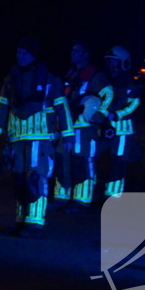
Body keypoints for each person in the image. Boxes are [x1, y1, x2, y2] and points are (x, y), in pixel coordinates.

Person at [0, 37, 69, 238]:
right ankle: (21, 220)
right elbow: (3, 106)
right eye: (18, 52)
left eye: (24, 53)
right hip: (16, 138)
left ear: (33, 55)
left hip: (39, 137)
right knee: (18, 181)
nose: (20, 56)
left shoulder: (48, 78)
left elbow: (62, 106)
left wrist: (67, 134)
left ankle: (34, 223)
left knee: (34, 179)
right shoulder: (12, 77)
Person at [53, 39, 112, 211]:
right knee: (62, 160)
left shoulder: (95, 75)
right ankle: (61, 198)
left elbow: (108, 94)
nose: (73, 53)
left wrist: (100, 114)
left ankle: (81, 200)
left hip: (85, 128)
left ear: (86, 54)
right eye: (72, 50)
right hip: (68, 126)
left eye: (77, 51)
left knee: (81, 162)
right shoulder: (71, 74)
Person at [97, 46, 141, 199]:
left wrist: (116, 115)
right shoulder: (105, 80)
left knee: (118, 163)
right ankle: (98, 191)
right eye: (109, 62)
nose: (111, 66)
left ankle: (112, 197)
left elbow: (134, 105)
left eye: (114, 62)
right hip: (104, 128)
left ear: (124, 63)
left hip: (122, 131)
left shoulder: (129, 83)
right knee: (98, 159)